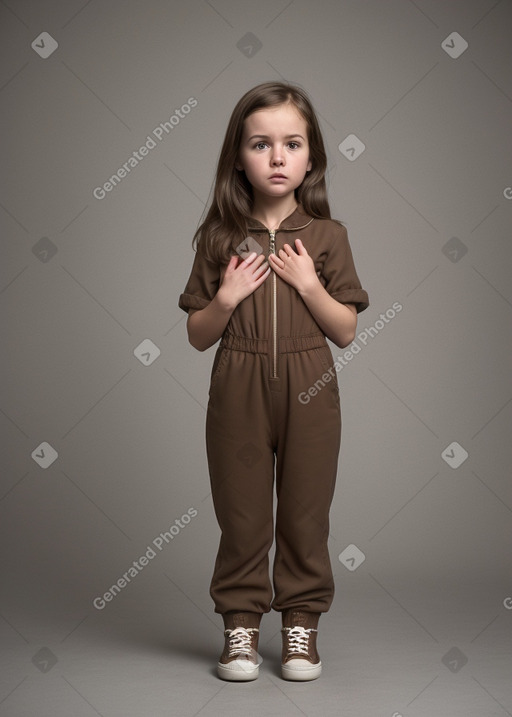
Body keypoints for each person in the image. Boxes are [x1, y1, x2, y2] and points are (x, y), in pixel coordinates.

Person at [178, 81, 369, 682]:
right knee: (242, 515)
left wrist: (311, 285)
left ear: (312, 157)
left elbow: (346, 331)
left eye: (292, 143)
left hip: (311, 387)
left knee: (306, 514)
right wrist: (228, 297)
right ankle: (239, 628)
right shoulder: (218, 236)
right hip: (237, 385)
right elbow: (196, 334)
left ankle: (300, 628)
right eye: (261, 144)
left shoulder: (329, 236)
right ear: (238, 156)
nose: (278, 157)